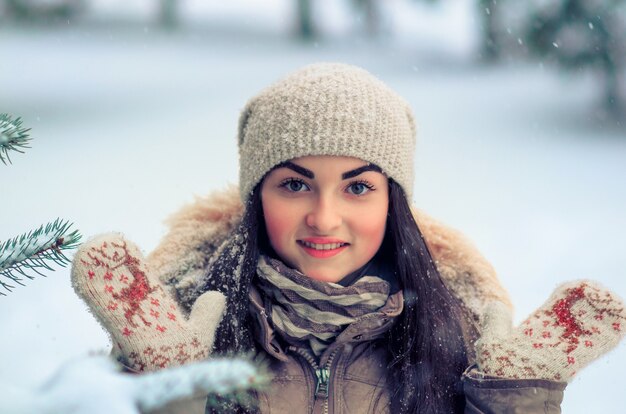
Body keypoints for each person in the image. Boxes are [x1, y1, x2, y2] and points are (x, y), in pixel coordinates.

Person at [72, 63, 626, 414]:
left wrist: (512, 404)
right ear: (255, 198)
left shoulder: (463, 342)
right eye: (294, 184)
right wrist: (167, 395)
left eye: (357, 187)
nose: (324, 217)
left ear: (394, 203)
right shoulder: (179, 328)